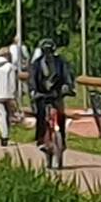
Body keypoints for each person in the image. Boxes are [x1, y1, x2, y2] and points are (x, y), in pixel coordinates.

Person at [27, 37, 74, 170]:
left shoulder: (60, 62)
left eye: (50, 50)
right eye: (45, 50)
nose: (48, 53)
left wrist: (67, 86)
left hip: (56, 95)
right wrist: (33, 91)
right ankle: (41, 139)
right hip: (41, 96)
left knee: (60, 117)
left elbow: (67, 75)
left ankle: (61, 141)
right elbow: (32, 78)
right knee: (41, 116)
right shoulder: (37, 64)